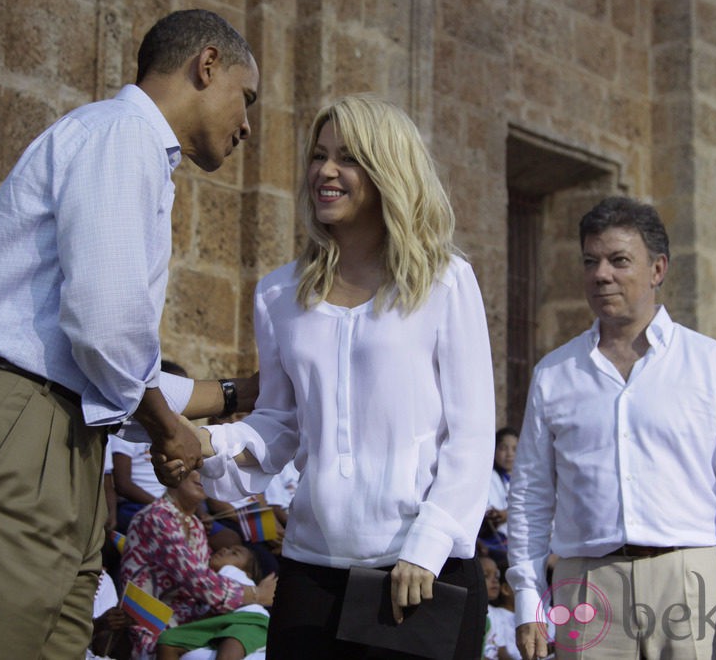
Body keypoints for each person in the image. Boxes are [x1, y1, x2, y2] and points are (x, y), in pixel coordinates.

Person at [0, 9, 260, 659]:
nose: (248, 124)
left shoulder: (130, 150)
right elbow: (104, 323)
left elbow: (103, 357)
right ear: (207, 66)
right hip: (17, 428)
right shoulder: (119, 136)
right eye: (246, 98)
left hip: (57, 433)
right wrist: (167, 427)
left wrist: (235, 393)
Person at [194, 94, 495, 659]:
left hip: (420, 569)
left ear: (388, 170)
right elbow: (281, 423)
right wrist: (212, 445)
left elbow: (472, 434)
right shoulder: (280, 293)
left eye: (348, 157)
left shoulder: (445, 282)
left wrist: (426, 548)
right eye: (319, 154)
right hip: (311, 570)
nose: (325, 171)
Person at [507, 196, 716, 660]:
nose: (602, 274)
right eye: (590, 261)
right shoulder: (555, 373)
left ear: (657, 269)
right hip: (585, 586)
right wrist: (528, 600)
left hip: (693, 578)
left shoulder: (710, 365)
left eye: (619, 261)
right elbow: (530, 497)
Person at [121, 471, 276, 659]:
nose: (202, 476)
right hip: (158, 632)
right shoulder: (156, 517)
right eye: (194, 469)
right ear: (172, 475)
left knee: (256, 623)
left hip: (196, 625)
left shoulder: (195, 525)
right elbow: (198, 581)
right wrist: (256, 594)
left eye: (207, 471)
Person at [156, 543, 272, 660]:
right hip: (219, 622)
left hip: (249, 619)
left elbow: (218, 596)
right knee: (167, 641)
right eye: (227, 548)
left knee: (230, 650)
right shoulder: (207, 580)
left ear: (247, 574)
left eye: (234, 553)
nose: (224, 549)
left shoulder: (233, 572)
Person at [480, 427, 518, 554]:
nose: (509, 454)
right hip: (496, 538)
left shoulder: (530, 479)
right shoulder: (487, 477)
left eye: (515, 449)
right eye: (503, 448)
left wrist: (509, 514)